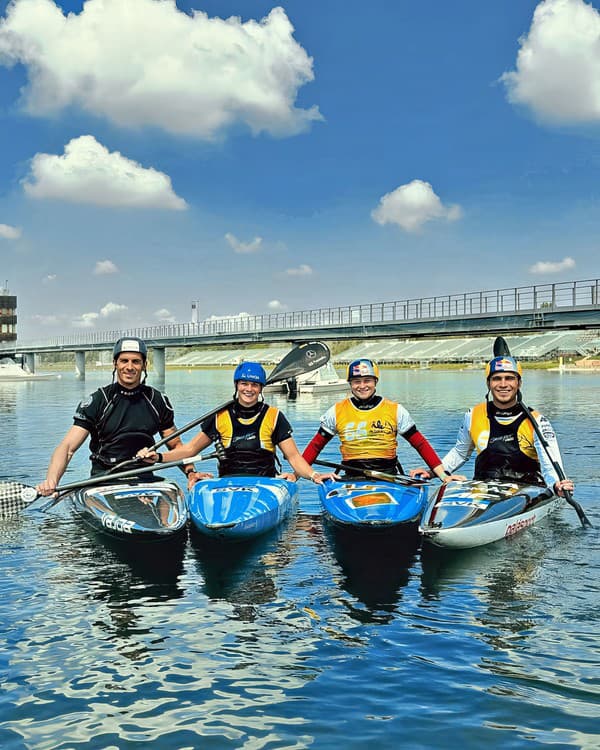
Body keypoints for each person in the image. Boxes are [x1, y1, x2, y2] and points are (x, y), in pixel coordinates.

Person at [37, 337, 200, 496]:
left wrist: (191, 473)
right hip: (104, 481)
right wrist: (52, 481)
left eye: (136, 361)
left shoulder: (157, 401)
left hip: (146, 478)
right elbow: (67, 448)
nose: (129, 367)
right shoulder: (98, 401)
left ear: (144, 365)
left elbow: (176, 446)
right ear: (115, 363)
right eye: (124, 361)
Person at [136, 361, 337, 485]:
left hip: (266, 483)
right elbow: (189, 450)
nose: (249, 389)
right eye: (244, 384)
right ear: (236, 385)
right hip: (226, 483)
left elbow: (293, 457)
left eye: (254, 385)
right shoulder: (219, 416)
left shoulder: (275, 417)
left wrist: (314, 475)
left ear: (261, 389)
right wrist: (158, 457)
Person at [410, 353, 574, 496]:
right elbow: (460, 453)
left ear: (519, 383)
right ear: (488, 384)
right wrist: (433, 472)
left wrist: (556, 485)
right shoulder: (473, 415)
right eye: (496, 379)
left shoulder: (538, 421)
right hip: (484, 489)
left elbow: (550, 463)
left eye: (510, 378)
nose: (503, 384)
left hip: (527, 491)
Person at [301, 358, 462, 483]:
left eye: (367, 380)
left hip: (389, 476)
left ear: (375, 381)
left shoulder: (395, 410)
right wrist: (296, 474)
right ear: (350, 383)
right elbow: (316, 446)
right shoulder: (336, 411)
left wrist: (443, 475)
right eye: (357, 381)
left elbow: (420, 444)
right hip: (351, 476)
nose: (362, 386)